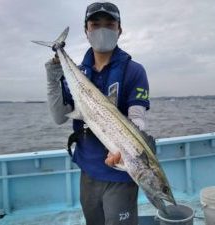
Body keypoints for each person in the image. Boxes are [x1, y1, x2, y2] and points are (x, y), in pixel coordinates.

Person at [45, 2, 150, 225]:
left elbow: (137, 118)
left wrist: (128, 148)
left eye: (110, 24)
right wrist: (52, 75)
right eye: (95, 24)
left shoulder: (134, 71)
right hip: (88, 170)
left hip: (121, 175)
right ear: (87, 30)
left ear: (119, 29)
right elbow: (58, 117)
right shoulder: (78, 72)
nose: (103, 29)